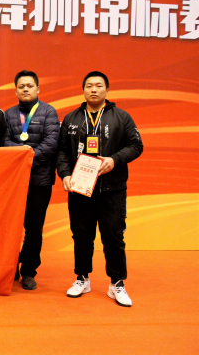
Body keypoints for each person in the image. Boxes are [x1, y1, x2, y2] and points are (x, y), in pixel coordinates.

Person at [57, 71, 143, 307]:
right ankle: (82, 278)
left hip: (112, 189)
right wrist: (64, 174)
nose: (93, 89)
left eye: (98, 85)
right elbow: (62, 151)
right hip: (80, 189)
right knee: (81, 235)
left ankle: (117, 283)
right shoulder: (71, 119)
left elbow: (136, 145)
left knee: (113, 236)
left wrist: (115, 159)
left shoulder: (121, 117)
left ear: (107, 90)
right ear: (83, 90)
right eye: (89, 86)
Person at [4, 70, 60, 290]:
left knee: (34, 229)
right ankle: (10, 267)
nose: (25, 89)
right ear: (16, 90)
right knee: (10, 228)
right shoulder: (8, 114)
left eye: (29, 86)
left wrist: (27, 156)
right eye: (21, 86)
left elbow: (51, 143)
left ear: (38, 88)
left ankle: (28, 271)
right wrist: (22, 152)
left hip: (39, 181)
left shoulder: (48, 112)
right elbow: (4, 141)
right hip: (14, 181)